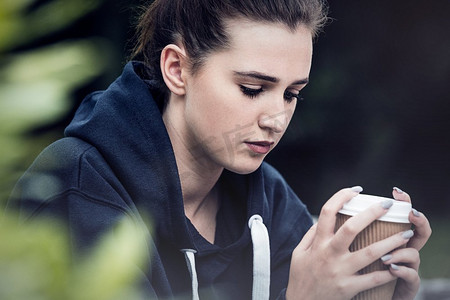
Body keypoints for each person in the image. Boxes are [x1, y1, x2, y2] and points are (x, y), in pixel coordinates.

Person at [8, 0, 431, 299]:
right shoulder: (76, 190)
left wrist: (374, 289)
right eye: (252, 89)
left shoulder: (267, 198)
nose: (276, 118)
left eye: (291, 94)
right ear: (177, 69)